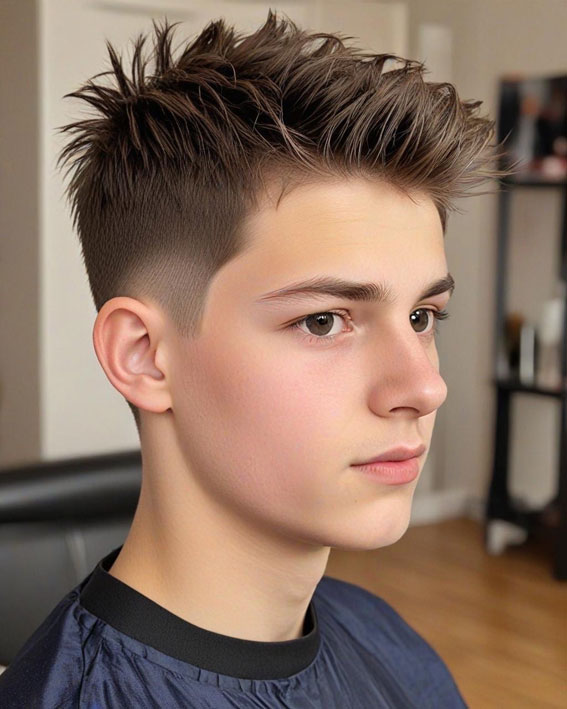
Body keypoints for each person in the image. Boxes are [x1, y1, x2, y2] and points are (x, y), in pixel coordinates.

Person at [0, 10, 510, 708]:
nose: (424, 386)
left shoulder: (387, 637)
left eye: (422, 317)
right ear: (144, 356)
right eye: (324, 321)